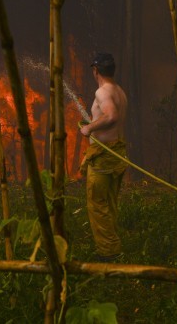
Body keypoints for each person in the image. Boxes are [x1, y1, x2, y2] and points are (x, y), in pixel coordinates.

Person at [79, 52, 128, 262]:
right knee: (109, 201)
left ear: (95, 70)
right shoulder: (119, 92)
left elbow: (111, 116)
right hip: (117, 154)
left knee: (98, 203)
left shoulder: (102, 92)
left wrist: (89, 127)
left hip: (104, 156)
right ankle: (113, 244)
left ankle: (108, 253)